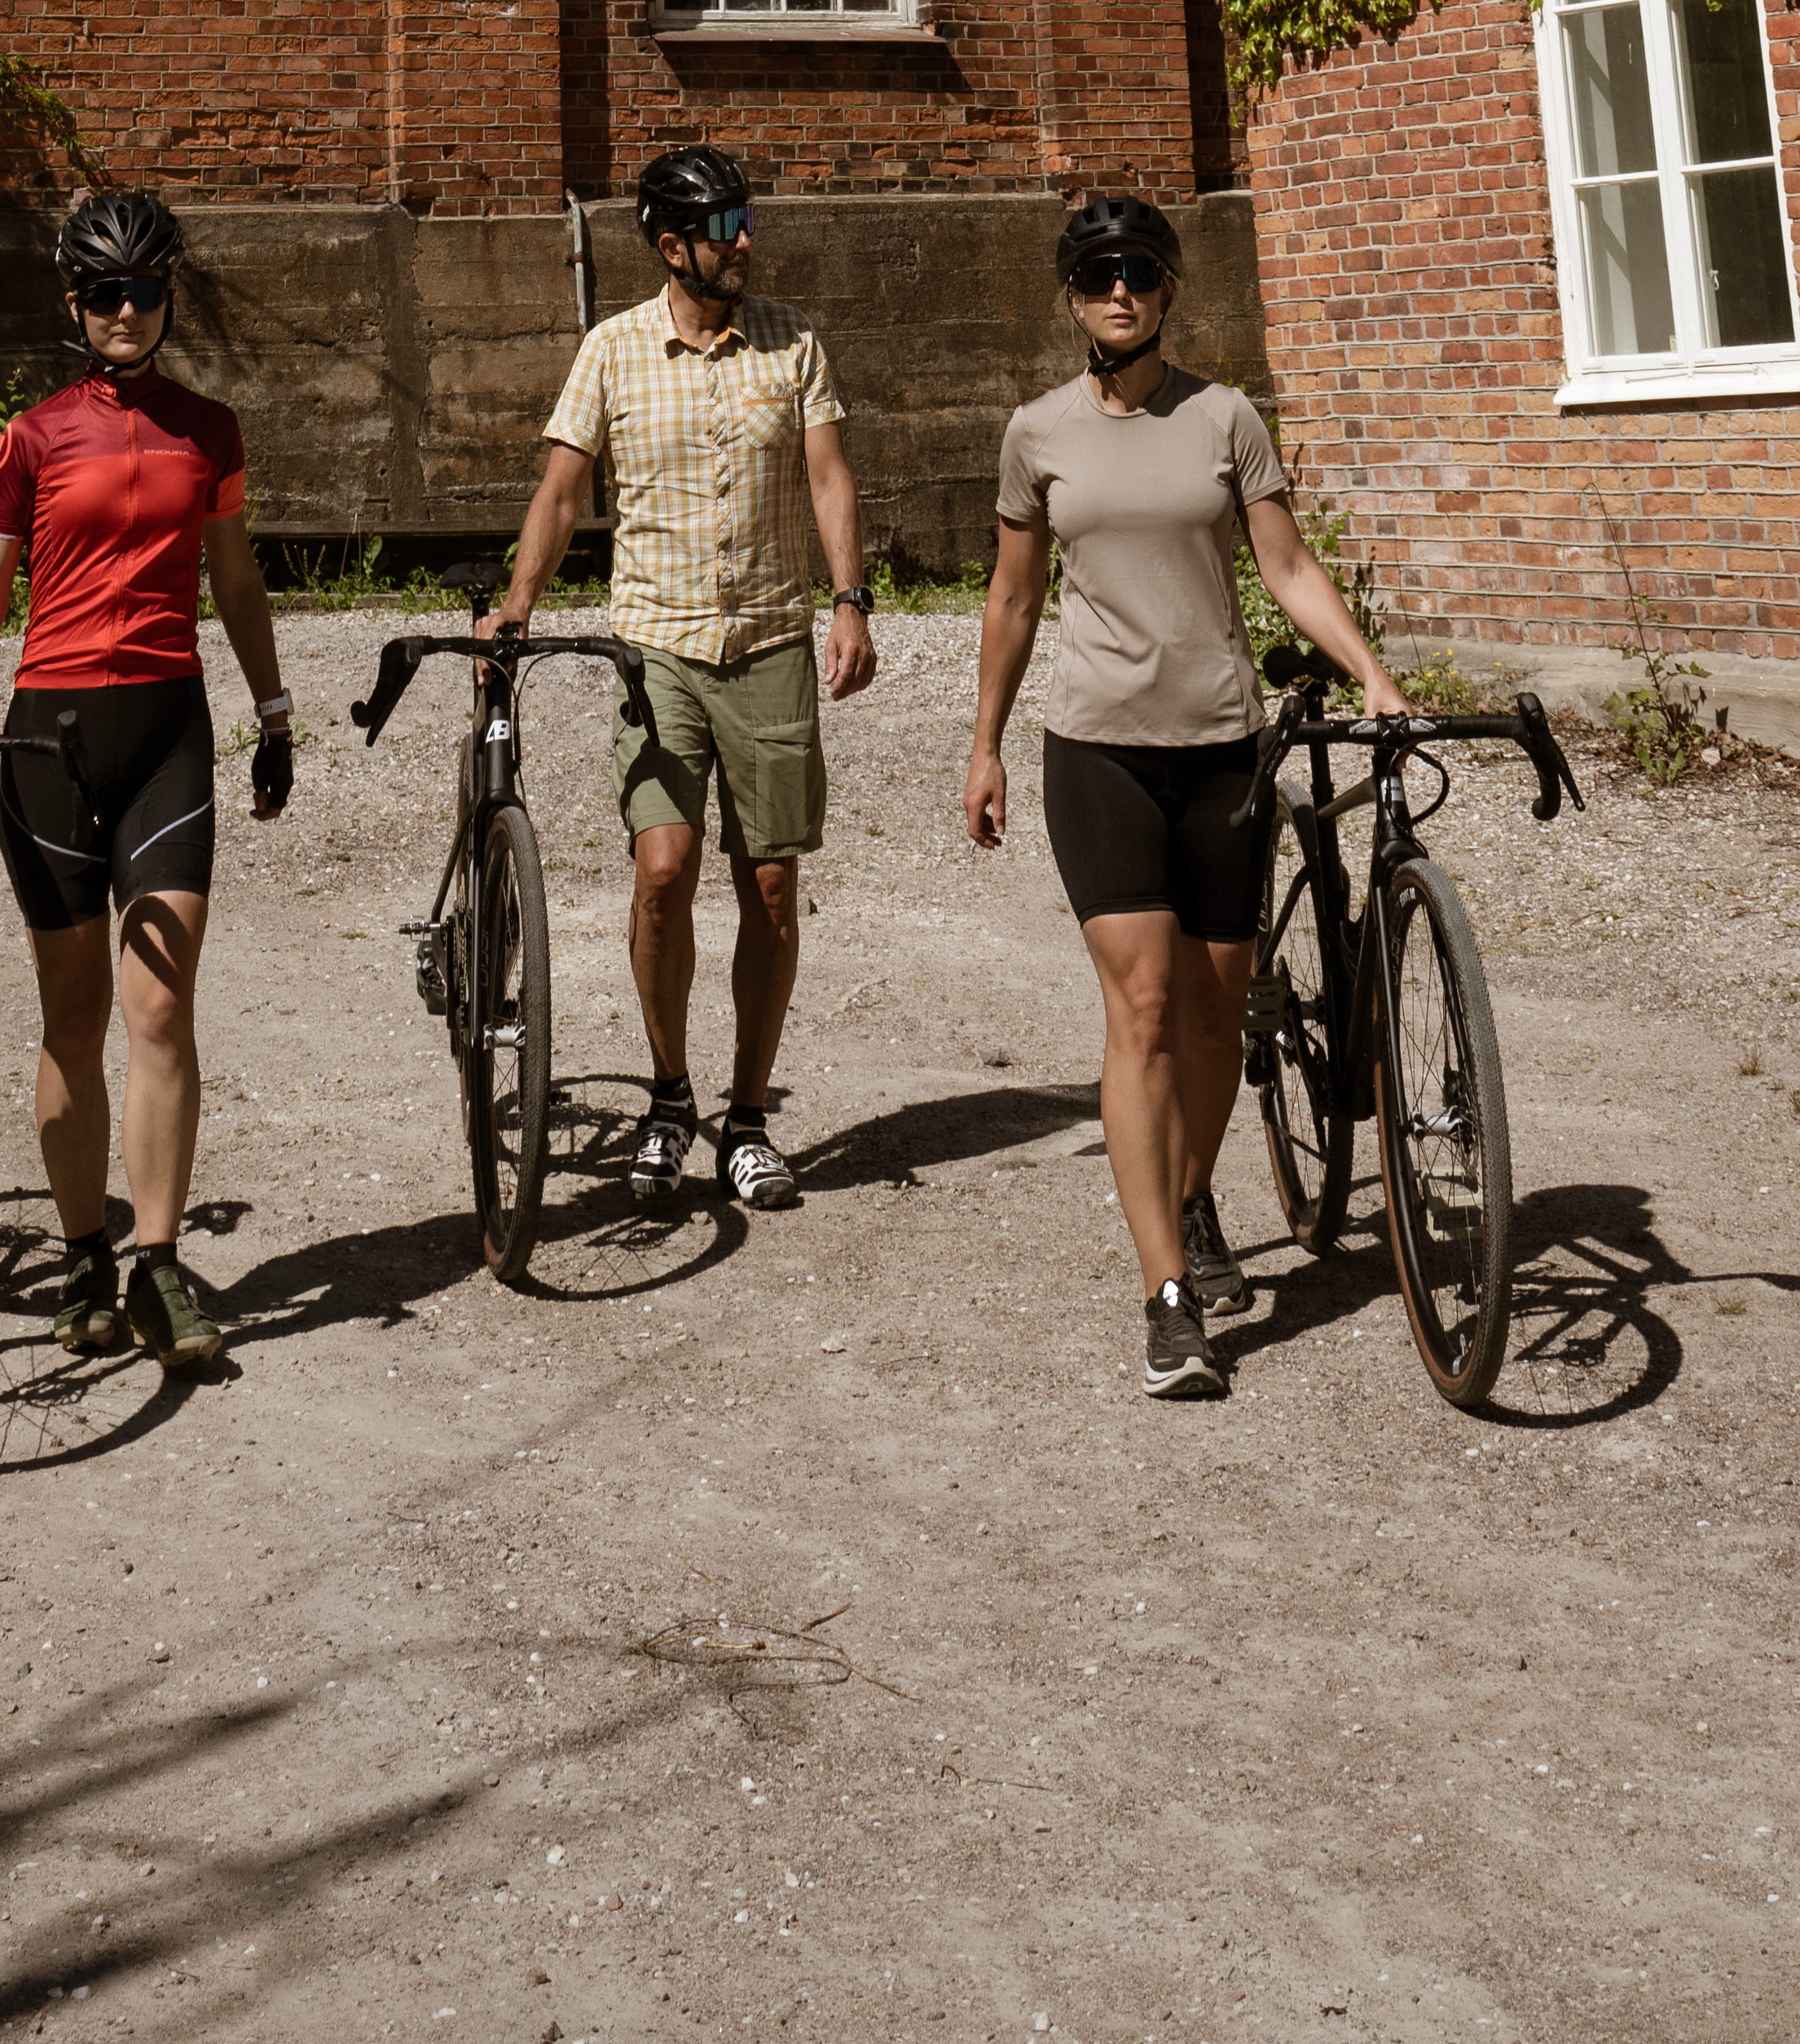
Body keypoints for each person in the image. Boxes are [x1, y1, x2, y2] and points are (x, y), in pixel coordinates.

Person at [964, 192, 1400, 1400]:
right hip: (1096, 748)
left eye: (1141, 272)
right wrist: (985, 742)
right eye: (1100, 272)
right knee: (1145, 1007)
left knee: (1217, 1018)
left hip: (1223, 747)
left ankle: (1194, 1191)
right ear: (1072, 293)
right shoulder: (1036, 434)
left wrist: (1373, 674)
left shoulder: (1225, 416)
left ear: (1167, 289)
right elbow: (1012, 601)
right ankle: (1167, 1291)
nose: (1121, 290)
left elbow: (1288, 567)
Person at [0, 186, 291, 1371]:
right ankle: (82, 1258)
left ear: (169, 293)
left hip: (168, 732)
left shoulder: (210, 428)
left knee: (162, 1008)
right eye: (103, 292)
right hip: (50, 741)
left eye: (143, 289)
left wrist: (272, 707)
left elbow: (233, 580)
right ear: (74, 303)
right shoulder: (33, 435)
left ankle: (158, 1262)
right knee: (72, 1017)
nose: (125, 310)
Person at [482, 141, 875, 1211]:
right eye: (724, 226)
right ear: (671, 246)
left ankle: (745, 1120)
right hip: (657, 648)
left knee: (773, 886)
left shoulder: (793, 346)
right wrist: (517, 603)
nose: (745, 241)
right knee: (662, 869)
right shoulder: (611, 352)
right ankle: (667, 1094)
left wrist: (849, 598)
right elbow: (561, 494)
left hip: (770, 646)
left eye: (747, 220)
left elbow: (830, 476)